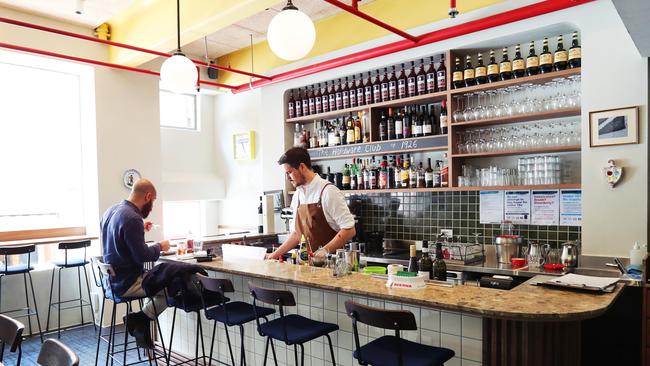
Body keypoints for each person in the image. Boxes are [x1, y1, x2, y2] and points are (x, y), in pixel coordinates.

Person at [101, 179, 170, 348]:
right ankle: (140, 319)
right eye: (153, 201)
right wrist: (159, 246)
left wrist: (141, 230)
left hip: (111, 282)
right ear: (148, 196)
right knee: (171, 288)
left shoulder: (111, 211)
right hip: (128, 282)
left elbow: (120, 241)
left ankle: (140, 321)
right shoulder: (132, 218)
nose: (152, 206)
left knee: (160, 282)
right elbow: (142, 256)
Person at [267, 147, 356, 261]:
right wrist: (273, 255)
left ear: (302, 167)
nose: (287, 178)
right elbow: (296, 234)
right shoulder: (298, 196)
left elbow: (349, 230)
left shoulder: (328, 191)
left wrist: (324, 251)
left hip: (331, 265)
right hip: (307, 266)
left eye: (289, 172)